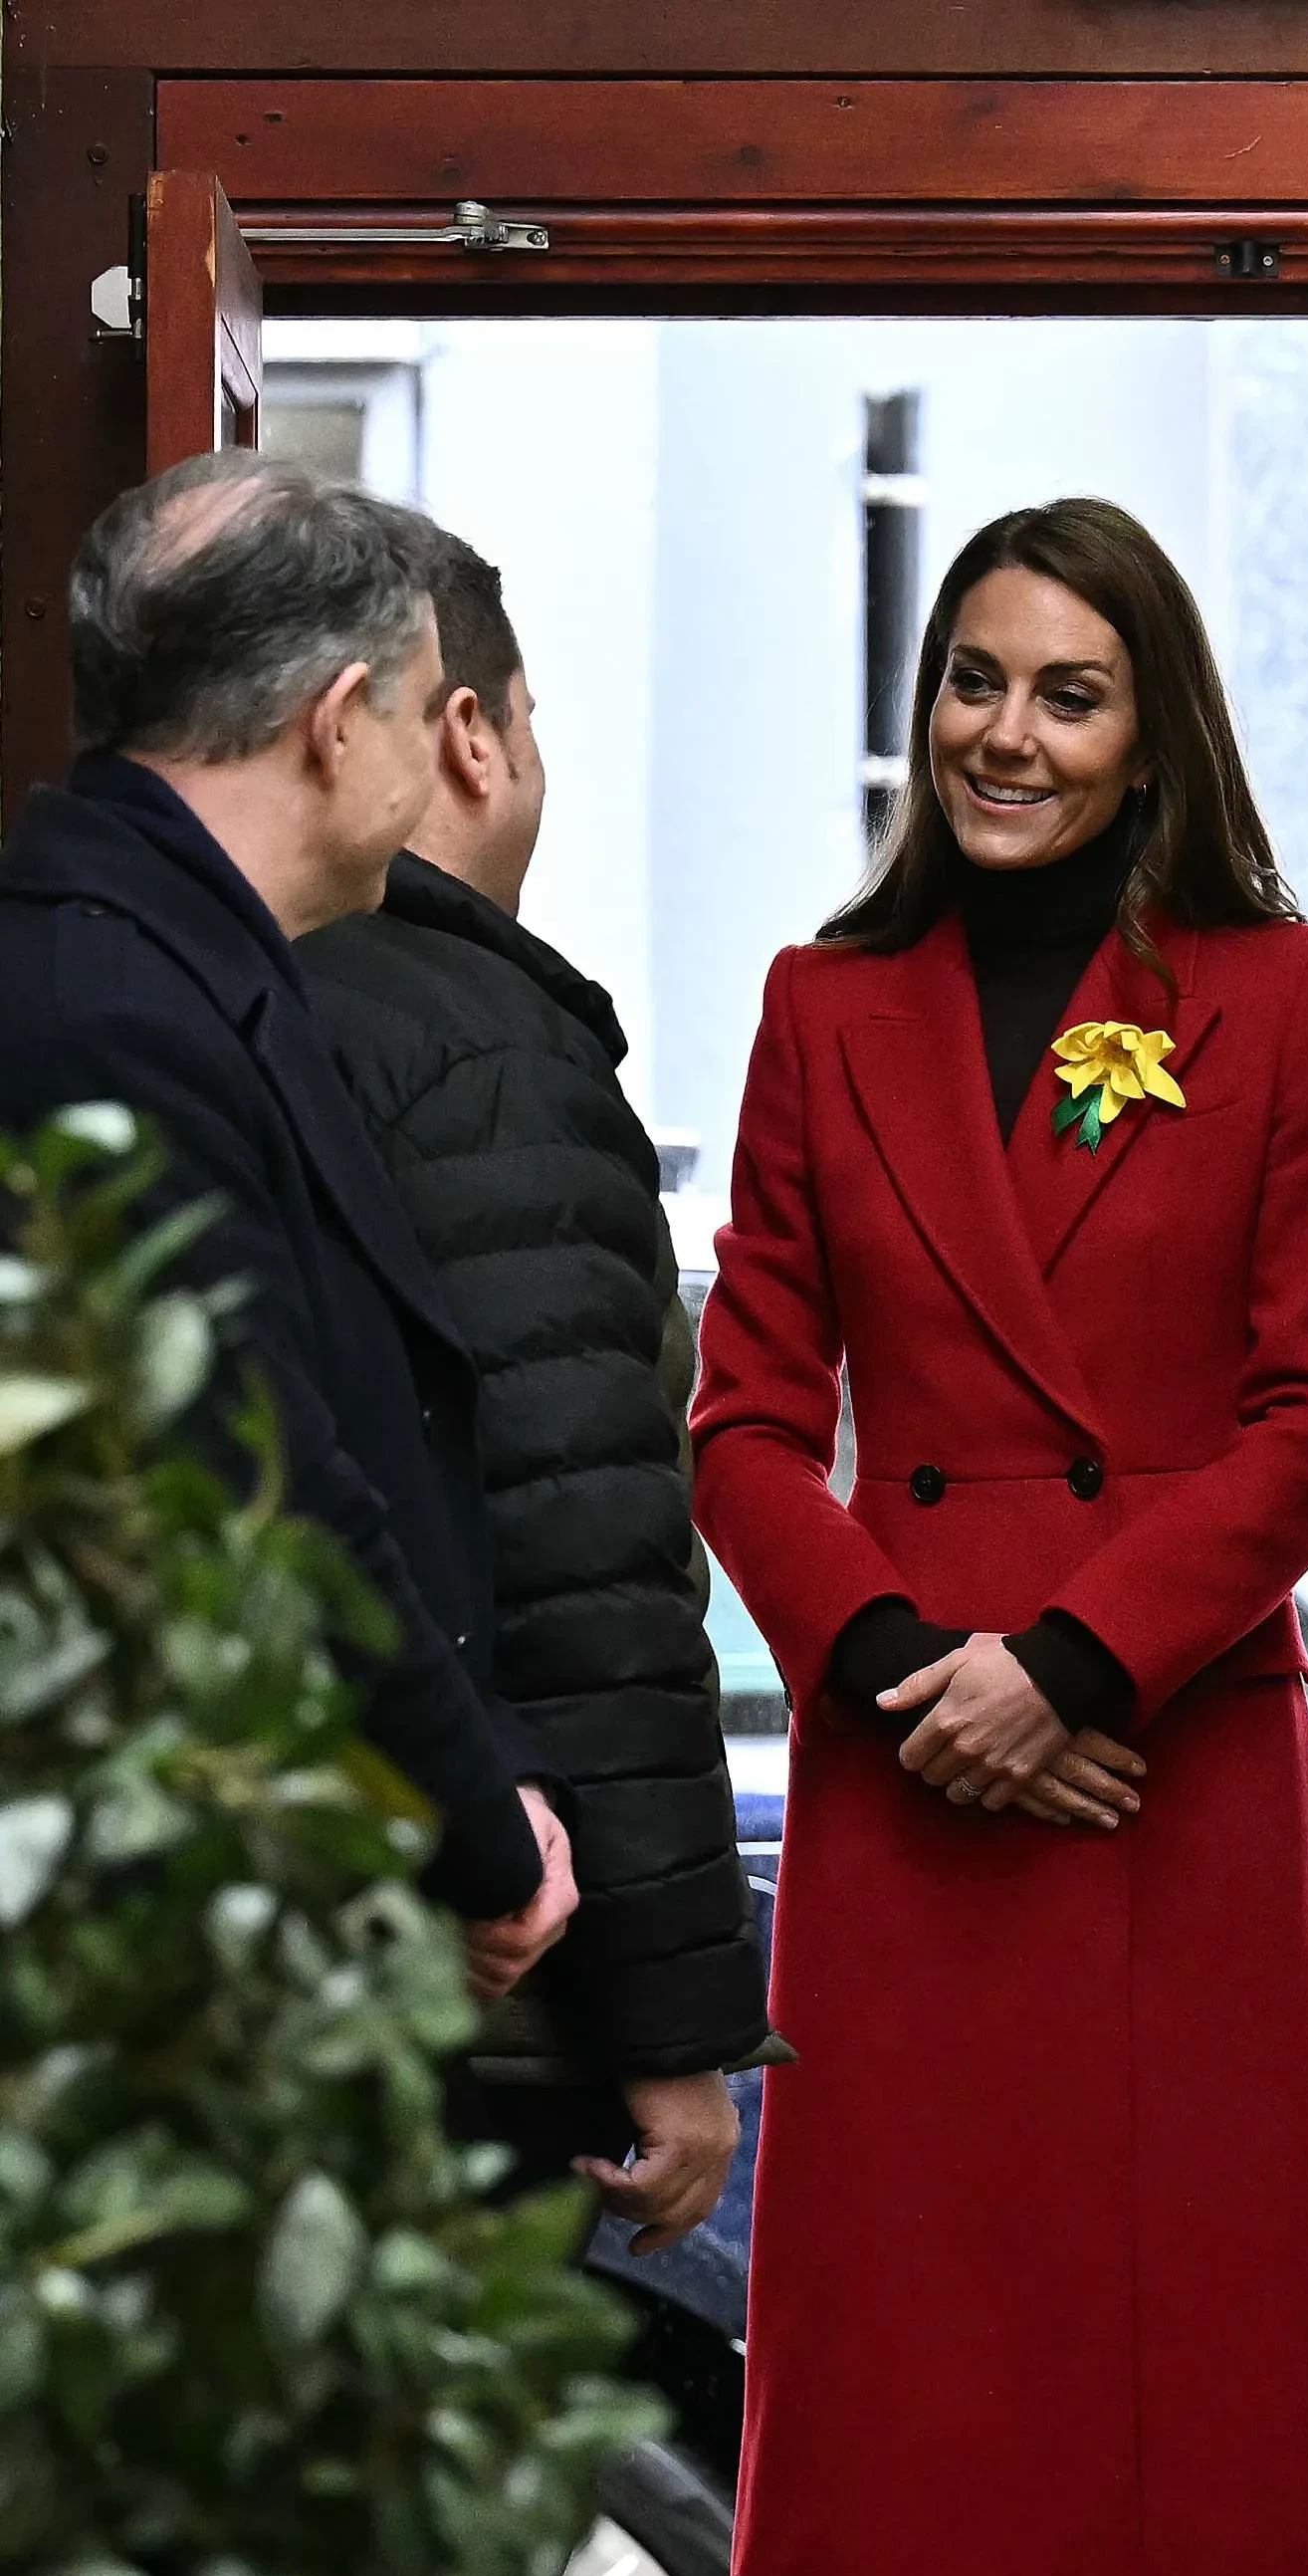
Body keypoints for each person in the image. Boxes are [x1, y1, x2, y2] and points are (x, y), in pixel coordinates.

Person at [691, 495, 1308, 2576]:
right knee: (927, 2452)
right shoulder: (827, 1004)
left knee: (1167, 2445)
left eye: (1068, 692)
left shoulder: (1289, 994)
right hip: (913, 1796)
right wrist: (914, 1659)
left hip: (1162, 1787)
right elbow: (739, 1414)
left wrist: (1083, 1657)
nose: (1006, 734)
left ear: (1155, 737)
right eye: (973, 682)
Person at [0, 454, 575, 1999]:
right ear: (337, 723)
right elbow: (262, 1487)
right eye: (422, 706)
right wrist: (482, 1831)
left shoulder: (175, 963)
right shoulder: (114, 1013)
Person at [300, 524, 771, 2299]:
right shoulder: (490, 1052)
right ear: (470, 736)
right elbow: (586, 1563)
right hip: (486, 1980)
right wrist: (670, 2025)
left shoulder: (203, 1002)